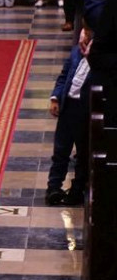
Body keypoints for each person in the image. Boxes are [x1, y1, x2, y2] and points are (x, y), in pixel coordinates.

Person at [46, 38, 91, 206]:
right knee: (60, 151)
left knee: (83, 154)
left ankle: (77, 190)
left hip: (86, 110)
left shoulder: (103, 58)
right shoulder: (75, 52)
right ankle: (53, 188)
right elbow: (63, 77)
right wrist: (56, 98)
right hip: (68, 107)